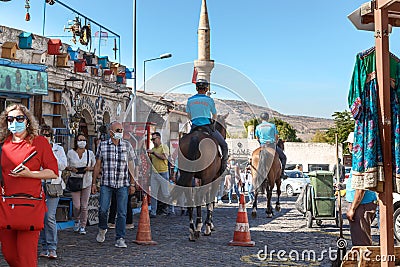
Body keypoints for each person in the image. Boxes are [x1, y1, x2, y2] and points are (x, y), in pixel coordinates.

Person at [0, 104, 58, 267]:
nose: (15, 122)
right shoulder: (3, 144)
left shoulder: (39, 143)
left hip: (30, 205)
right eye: (10, 119)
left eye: (19, 118)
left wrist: (29, 174)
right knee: (9, 254)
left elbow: (53, 172)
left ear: (27, 121)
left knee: (26, 256)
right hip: (6, 205)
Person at [92, 122, 136, 248]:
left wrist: (132, 183)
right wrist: (94, 183)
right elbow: (98, 165)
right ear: (110, 132)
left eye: (121, 130)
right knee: (103, 209)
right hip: (107, 182)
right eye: (117, 130)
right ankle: (102, 228)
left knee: (122, 212)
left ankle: (120, 238)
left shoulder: (127, 146)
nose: (120, 132)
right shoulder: (103, 146)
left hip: (123, 183)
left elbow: (131, 165)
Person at [186, 79, 229, 173]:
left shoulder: (190, 100)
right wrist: (212, 122)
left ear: (196, 88)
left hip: (194, 127)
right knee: (224, 145)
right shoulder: (209, 100)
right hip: (207, 127)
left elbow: (188, 115)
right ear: (206, 89)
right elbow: (214, 115)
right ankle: (223, 166)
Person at [39, 125, 67, 259]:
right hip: (39, 185)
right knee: (41, 217)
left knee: (49, 216)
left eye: (47, 135)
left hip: (53, 186)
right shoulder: (35, 149)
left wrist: (50, 156)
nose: (45, 137)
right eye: (43, 135)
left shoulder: (58, 149)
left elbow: (63, 165)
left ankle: (52, 247)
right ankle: (44, 246)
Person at [345, 131, 378, 246]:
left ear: (352, 144)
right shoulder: (359, 158)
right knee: (360, 239)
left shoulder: (361, 159)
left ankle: (365, 263)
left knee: (361, 243)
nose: (348, 146)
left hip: (361, 205)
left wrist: (352, 208)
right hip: (361, 204)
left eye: (349, 144)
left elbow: (361, 188)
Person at [66, 133, 96, 235]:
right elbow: (66, 165)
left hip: (86, 180)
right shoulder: (70, 153)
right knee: (77, 205)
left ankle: (83, 225)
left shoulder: (90, 153)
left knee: (84, 206)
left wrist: (89, 169)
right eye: (79, 140)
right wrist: (71, 169)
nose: (81, 142)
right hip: (75, 180)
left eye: (83, 140)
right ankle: (76, 219)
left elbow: (95, 167)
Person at [148, 132, 172, 217]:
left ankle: (171, 209)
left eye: (154, 139)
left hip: (163, 173)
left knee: (165, 193)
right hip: (155, 173)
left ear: (159, 138)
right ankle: (153, 212)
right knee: (153, 194)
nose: (153, 141)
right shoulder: (153, 149)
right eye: (152, 139)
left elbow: (164, 157)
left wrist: (154, 153)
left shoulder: (164, 147)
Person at [255, 112, 286, 177]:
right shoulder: (272, 126)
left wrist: (261, 142)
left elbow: (257, 138)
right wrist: (276, 142)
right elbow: (276, 136)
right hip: (272, 145)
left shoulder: (258, 127)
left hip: (263, 146)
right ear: (268, 118)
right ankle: (282, 173)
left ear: (261, 119)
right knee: (283, 158)